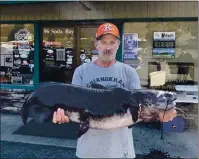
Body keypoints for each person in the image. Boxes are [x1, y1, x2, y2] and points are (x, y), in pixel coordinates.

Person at [52, 23, 177, 158]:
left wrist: (159, 114)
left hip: (121, 151)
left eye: (112, 42)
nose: (108, 47)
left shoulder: (129, 72)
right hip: (88, 151)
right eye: (104, 42)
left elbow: (139, 110)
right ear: (96, 45)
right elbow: (73, 104)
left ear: (118, 45)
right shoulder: (81, 71)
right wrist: (63, 115)